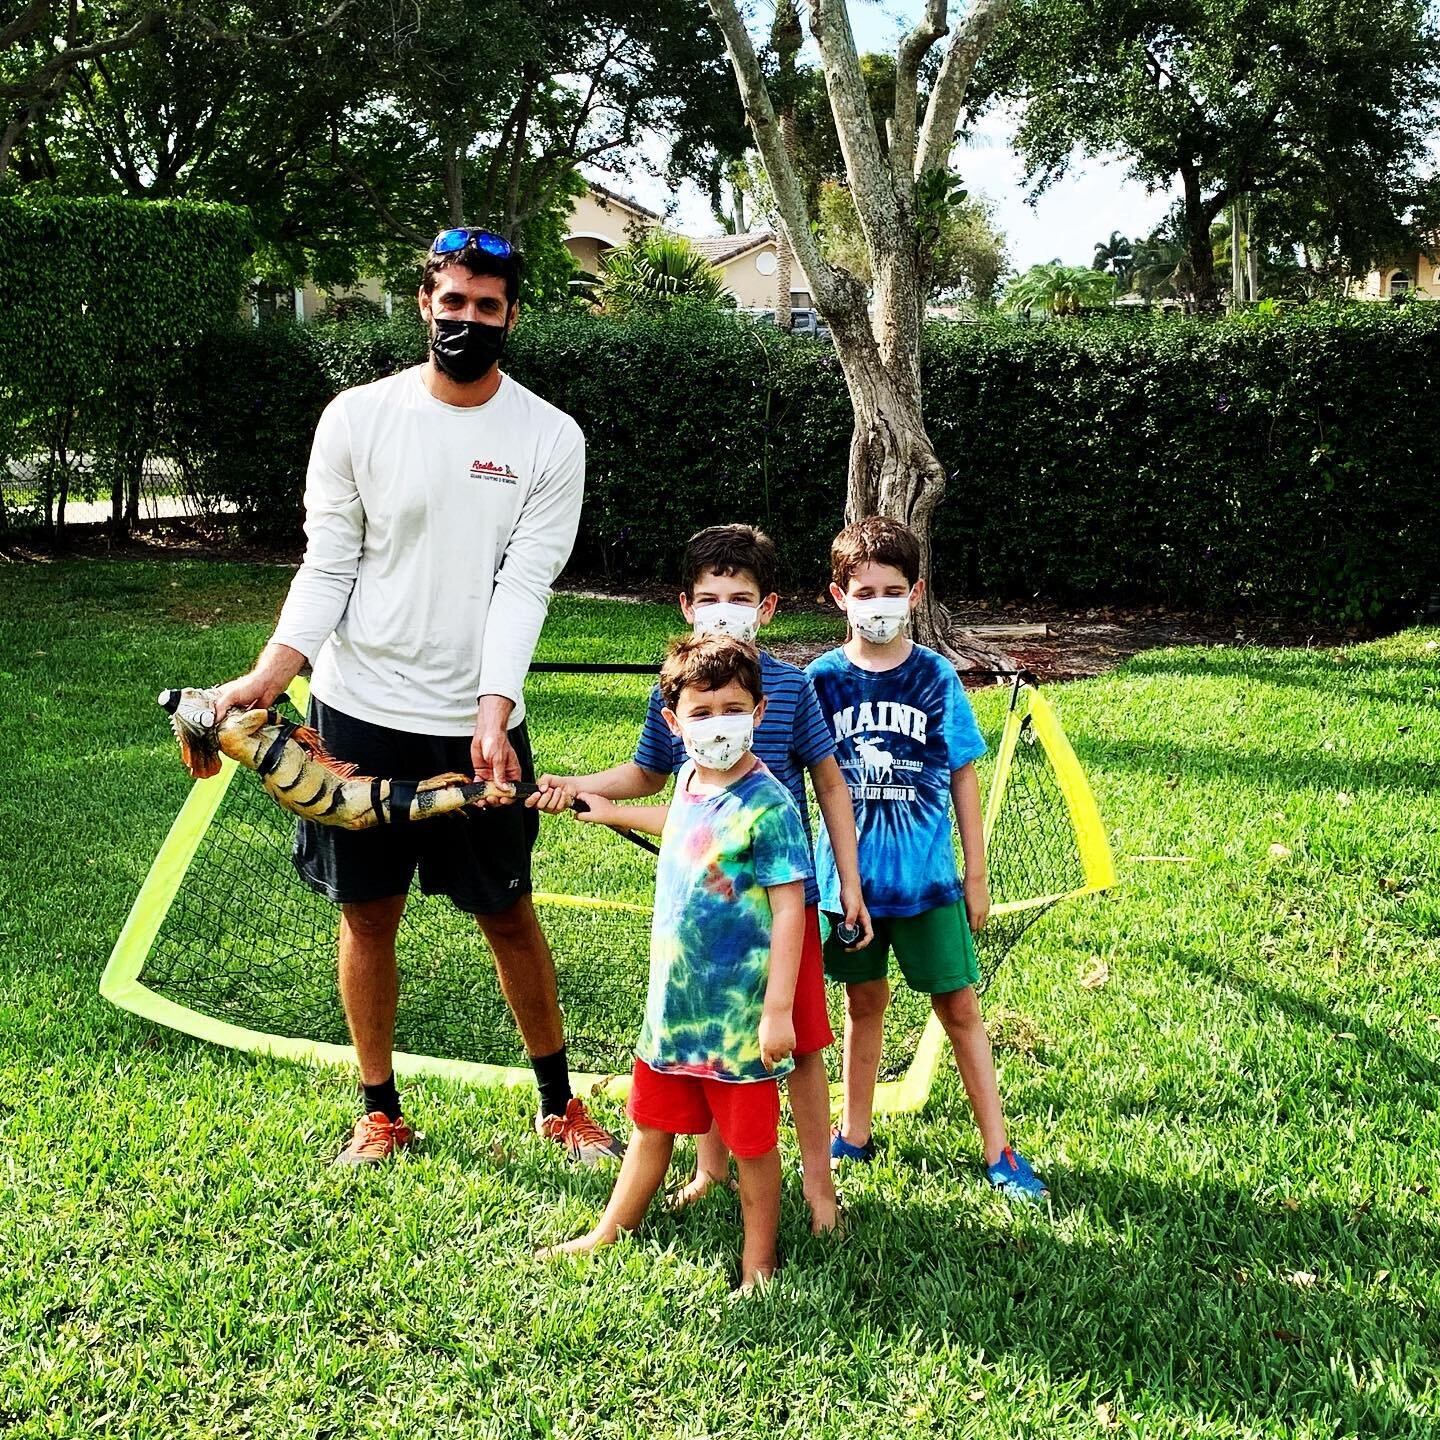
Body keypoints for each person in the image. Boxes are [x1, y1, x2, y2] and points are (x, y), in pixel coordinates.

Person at [212, 227, 623, 1168]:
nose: (466, 320)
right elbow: (330, 562)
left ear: (511, 316)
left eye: (486, 306)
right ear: (425, 303)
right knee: (367, 915)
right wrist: (274, 673)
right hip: (354, 712)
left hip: (475, 722)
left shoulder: (549, 436)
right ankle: (380, 1109)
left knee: (510, 912)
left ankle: (559, 1104)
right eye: (452, 302)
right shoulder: (357, 417)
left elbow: (525, 585)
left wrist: (493, 708)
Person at [538, 524, 870, 1232]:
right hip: (711, 919)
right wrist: (580, 786)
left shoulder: (792, 686)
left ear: (768, 607)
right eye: (711, 596)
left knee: (801, 1048)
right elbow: (649, 775)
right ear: (686, 604)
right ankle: (708, 1168)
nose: (726, 609)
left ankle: (818, 1190)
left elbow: (832, 786)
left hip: (783, 907)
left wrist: (850, 884)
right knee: (710, 1041)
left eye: (740, 597)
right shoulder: (681, 686)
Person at [539, 634, 812, 1287]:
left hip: (738, 1021)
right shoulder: (691, 776)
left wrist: (777, 1011)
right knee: (651, 1127)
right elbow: (686, 818)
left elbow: (790, 910)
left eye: (733, 709)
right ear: (673, 722)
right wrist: (614, 812)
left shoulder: (771, 805)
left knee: (751, 1146)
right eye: (702, 711)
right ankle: (611, 1229)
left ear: (760, 712)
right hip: (674, 1012)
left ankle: (759, 1263)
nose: (719, 724)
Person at [808, 516, 1048, 1201]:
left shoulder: (935, 676)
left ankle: (999, 1149)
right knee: (863, 1003)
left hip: (928, 883)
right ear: (838, 595)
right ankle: (854, 1133)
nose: (877, 603)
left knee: (961, 1009)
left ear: (915, 595)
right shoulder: (820, 681)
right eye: (864, 590)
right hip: (848, 887)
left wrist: (976, 874)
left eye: (892, 589)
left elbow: (964, 772)